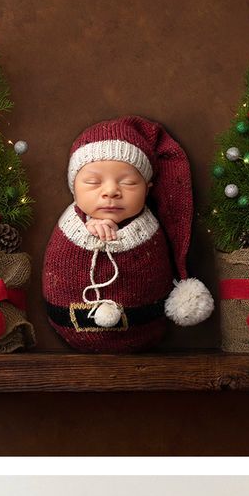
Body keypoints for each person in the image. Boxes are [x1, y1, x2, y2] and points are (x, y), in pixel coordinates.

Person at [42, 115, 213, 352]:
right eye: (93, 182)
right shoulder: (69, 228)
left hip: (147, 336)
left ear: (147, 188)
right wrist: (89, 228)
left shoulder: (151, 233)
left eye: (129, 183)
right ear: (74, 188)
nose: (111, 191)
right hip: (71, 331)